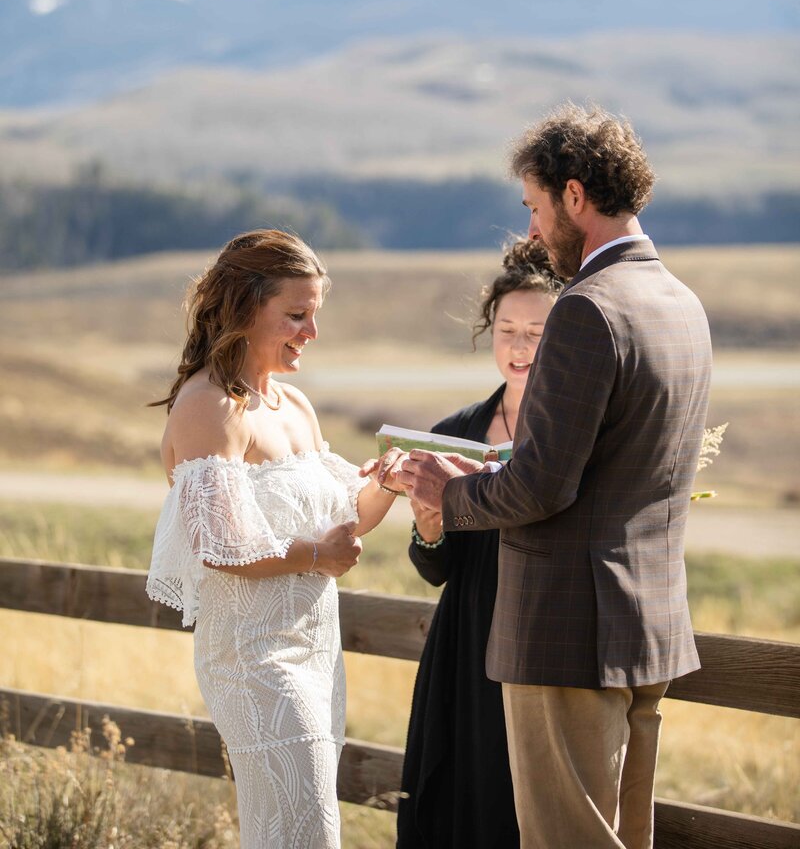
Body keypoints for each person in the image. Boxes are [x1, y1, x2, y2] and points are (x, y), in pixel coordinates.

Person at [399, 104, 712, 849]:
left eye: (537, 209)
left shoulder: (588, 309)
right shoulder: (681, 303)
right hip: (648, 628)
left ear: (576, 197)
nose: (534, 232)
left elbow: (540, 485)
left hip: (567, 635)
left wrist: (449, 492)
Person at [146, 230, 403, 849]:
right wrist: (320, 557)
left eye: (314, 315)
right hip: (252, 658)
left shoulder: (294, 406)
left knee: (294, 828)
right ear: (241, 308)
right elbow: (221, 545)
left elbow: (347, 520)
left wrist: (391, 482)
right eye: (296, 315)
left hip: (317, 651)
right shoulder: (207, 406)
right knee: (304, 829)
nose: (311, 332)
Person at [396, 240, 563, 849]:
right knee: (458, 793)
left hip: (545, 636)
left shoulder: (572, 435)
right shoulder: (454, 432)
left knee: (525, 803)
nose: (519, 347)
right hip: (467, 635)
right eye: (508, 329)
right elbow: (432, 568)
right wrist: (430, 526)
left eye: (538, 332)